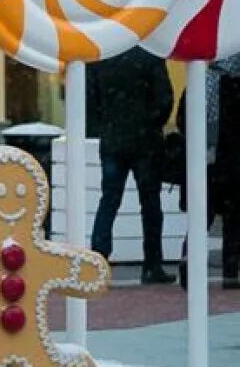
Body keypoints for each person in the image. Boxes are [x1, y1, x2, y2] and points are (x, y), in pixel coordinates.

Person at [86, 45, 175, 283]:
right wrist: (152, 122)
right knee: (150, 204)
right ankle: (152, 264)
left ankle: (99, 258)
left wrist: (105, 126)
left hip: (113, 139)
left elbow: (90, 100)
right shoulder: (150, 56)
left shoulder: (102, 55)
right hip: (145, 141)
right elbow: (165, 98)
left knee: (109, 199)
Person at [175, 54, 240, 291]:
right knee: (234, 220)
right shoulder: (236, 85)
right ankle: (231, 273)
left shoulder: (201, 80)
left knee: (201, 217)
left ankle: (188, 261)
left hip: (203, 162)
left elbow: (182, 119)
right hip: (233, 163)